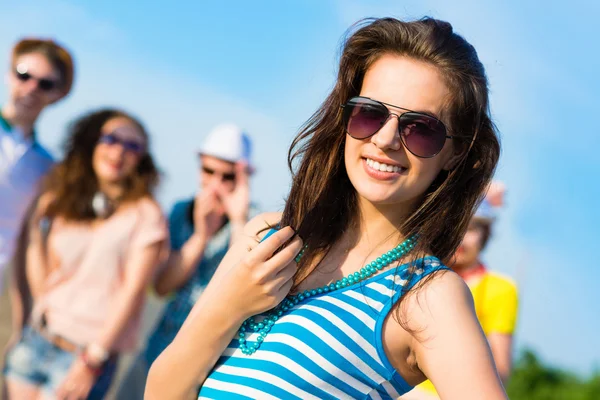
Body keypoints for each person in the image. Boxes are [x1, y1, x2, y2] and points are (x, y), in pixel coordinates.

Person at [146, 17, 507, 400]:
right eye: (370, 112)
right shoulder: (266, 236)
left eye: (420, 128)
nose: (385, 139)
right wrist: (229, 306)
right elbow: (160, 392)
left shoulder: (428, 296)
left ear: (454, 152)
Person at [3, 109, 168, 400]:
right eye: (111, 139)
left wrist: (93, 360)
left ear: (142, 158)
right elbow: (47, 277)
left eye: (132, 146)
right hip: (37, 338)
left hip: (84, 357)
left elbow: (133, 291)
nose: (119, 151)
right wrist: (34, 227)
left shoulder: (147, 215)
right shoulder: (69, 202)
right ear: (93, 143)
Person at [116, 123, 256, 399]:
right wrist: (201, 237)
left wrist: (238, 220)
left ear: (243, 177)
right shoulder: (181, 212)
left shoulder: (252, 222)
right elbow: (162, 286)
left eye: (227, 176)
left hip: (202, 371)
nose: (215, 183)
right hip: (156, 350)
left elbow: (243, 279)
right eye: (208, 171)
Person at [407, 182, 519, 399]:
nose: (461, 237)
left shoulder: (500, 288)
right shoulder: (415, 273)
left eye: (472, 228)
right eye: (455, 226)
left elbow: (501, 368)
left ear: (485, 234)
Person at [0, 38, 74, 292]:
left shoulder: (46, 166)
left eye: (45, 84)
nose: (31, 88)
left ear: (58, 94)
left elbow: (27, 239)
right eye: (24, 75)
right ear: (10, 74)